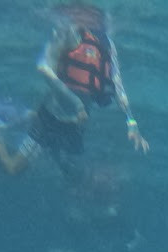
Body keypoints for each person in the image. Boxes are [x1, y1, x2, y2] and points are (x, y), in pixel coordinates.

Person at [36, 5, 149, 154]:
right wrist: (76, 103)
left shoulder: (108, 45)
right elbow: (43, 67)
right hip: (51, 115)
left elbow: (117, 84)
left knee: (69, 166)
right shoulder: (70, 32)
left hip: (78, 124)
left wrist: (131, 122)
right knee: (18, 164)